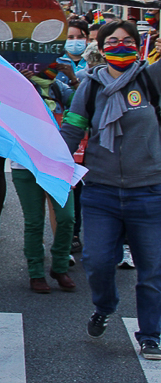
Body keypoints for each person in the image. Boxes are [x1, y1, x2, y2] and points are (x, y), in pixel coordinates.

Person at [60, 20, 161, 360]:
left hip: (150, 192)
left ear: (139, 45)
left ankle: (151, 334)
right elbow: (73, 129)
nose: (120, 46)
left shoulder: (151, 79)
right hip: (101, 192)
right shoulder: (89, 86)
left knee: (152, 271)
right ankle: (104, 306)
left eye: (128, 40)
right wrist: (51, 160)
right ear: (100, 48)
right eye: (113, 41)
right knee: (98, 261)